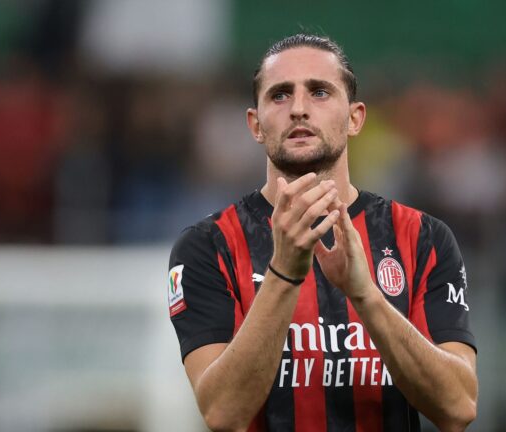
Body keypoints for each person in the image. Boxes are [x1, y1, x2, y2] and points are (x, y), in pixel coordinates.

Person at [168, 34, 478, 431]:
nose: (299, 109)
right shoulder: (208, 245)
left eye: (319, 92)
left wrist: (366, 296)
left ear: (355, 118)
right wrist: (283, 273)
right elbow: (223, 413)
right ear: (255, 124)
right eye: (280, 95)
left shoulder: (422, 237)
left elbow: (458, 406)